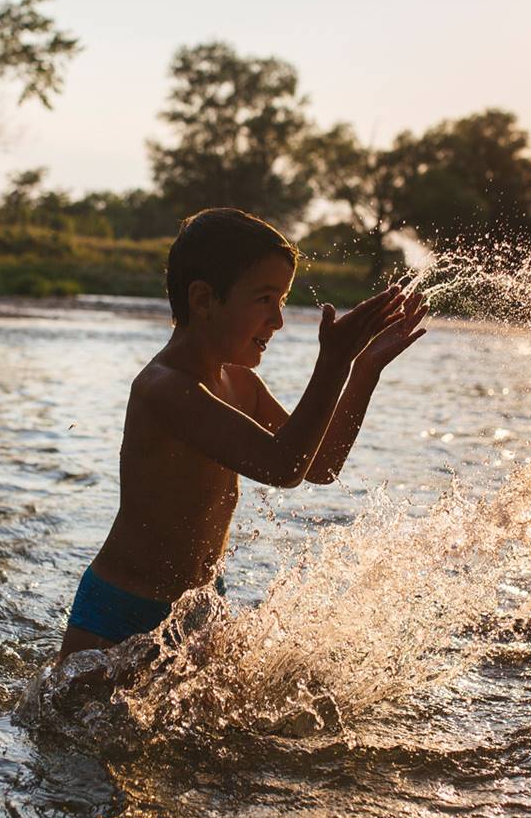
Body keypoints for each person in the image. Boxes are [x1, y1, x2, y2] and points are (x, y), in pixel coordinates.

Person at [58, 208, 428, 661]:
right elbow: (282, 467)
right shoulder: (163, 388)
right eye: (264, 299)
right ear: (204, 300)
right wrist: (333, 362)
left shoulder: (241, 384)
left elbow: (321, 466)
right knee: (76, 731)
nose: (278, 319)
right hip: (121, 612)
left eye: (283, 300)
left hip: (200, 609)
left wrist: (363, 369)